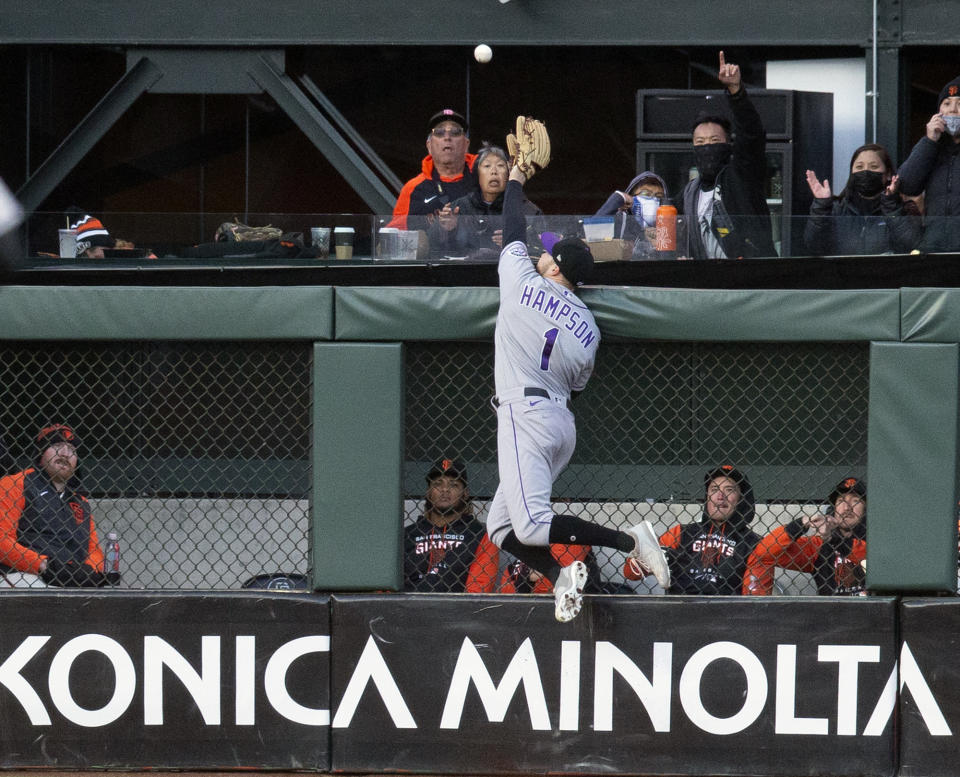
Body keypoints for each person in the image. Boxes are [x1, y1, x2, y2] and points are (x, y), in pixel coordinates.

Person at [483, 120, 670, 623]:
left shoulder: (523, 280)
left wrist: (518, 177)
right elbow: (579, 384)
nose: (542, 255)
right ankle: (561, 576)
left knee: (534, 527)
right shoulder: (589, 325)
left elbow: (514, 229)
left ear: (555, 267)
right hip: (560, 423)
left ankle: (630, 538)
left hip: (524, 413)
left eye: (549, 256)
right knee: (499, 529)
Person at [676, 51, 777, 260]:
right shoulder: (688, 194)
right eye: (700, 143)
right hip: (707, 283)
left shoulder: (741, 175)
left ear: (728, 144)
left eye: (714, 141)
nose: (707, 148)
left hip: (750, 277)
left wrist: (736, 91)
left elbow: (751, 134)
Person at [623, 465, 761, 595]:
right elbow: (630, 573)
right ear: (707, 497)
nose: (720, 496)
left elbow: (754, 599)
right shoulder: (681, 532)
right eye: (714, 489)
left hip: (728, 615)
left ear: (741, 499)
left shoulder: (753, 543)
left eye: (729, 490)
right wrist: (648, 560)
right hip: (679, 610)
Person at [0, 424, 106, 588]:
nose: (64, 453)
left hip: (72, 579)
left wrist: (89, 571)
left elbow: (94, 550)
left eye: (72, 449)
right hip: (25, 574)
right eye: (56, 446)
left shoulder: (81, 502)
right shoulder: (14, 484)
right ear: (41, 455)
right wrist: (44, 565)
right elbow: (2, 542)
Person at [742, 477, 867, 597]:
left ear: (866, 509)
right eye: (841, 501)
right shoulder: (818, 545)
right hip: (831, 613)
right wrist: (801, 523)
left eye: (856, 501)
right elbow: (765, 553)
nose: (847, 508)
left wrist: (836, 540)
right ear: (834, 508)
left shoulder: (877, 541)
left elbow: (870, 556)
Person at [803, 143, 922, 256]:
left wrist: (891, 205)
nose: (865, 171)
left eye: (873, 166)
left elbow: (912, 246)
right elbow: (814, 246)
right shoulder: (837, 208)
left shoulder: (903, 208)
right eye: (859, 167)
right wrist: (821, 206)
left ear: (888, 174)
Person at [430, 143, 542, 261]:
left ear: (509, 174)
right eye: (487, 166)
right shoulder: (459, 208)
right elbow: (432, 248)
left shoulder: (526, 209)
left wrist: (514, 241)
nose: (494, 171)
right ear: (477, 175)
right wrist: (446, 229)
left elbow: (541, 251)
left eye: (500, 166)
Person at [403, 457, 498, 592]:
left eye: (453, 484)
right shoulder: (406, 535)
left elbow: (478, 591)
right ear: (428, 492)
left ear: (465, 494)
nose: (445, 489)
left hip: (457, 610)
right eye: (437, 484)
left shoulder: (480, 535)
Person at [898, 75, 960, 252]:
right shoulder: (932, 147)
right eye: (947, 103)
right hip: (935, 246)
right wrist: (930, 141)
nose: (953, 110)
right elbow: (907, 185)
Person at [389, 109, 477, 231]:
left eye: (456, 132)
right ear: (429, 146)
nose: (447, 137)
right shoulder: (413, 188)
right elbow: (394, 235)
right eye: (439, 132)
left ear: (466, 145)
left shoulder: (484, 177)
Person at [593, 171, 669, 259]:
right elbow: (593, 237)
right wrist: (618, 198)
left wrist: (660, 245)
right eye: (645, 194)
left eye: (659, 196)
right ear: (631, 196)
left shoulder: (670, 228)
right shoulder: (619, 221)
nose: (653, 200)